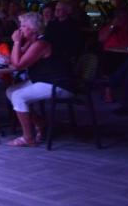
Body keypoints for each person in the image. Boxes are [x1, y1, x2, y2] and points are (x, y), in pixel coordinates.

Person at [5, 12, 75, 147]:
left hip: (59, 84)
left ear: (33, 29)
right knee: (10, 91)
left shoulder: (41, 43)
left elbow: (18, 65)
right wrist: (19, 46)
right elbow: (16, 58)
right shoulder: (32, 41)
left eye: (23, 26)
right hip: (43, 80)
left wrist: (17, 42)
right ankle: (40, 122)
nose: (20, 29)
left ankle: (28, 138)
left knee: (18, 96)